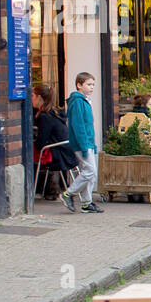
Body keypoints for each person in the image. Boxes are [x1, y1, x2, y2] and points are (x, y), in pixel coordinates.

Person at [60, 72, 103, 214]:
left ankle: (87, 203)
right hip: (82, 143)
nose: (92, 87)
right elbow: (79, 126)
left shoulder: (84, 100)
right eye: (88, 84)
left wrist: (92, 144)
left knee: (91, 173)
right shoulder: (77, 101)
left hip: (88, 142)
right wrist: (85, 146)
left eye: (93, 85)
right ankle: (69, 193)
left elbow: (88, 125)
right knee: (90, 171)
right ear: (79, 85)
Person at [32, 83, 75, 199]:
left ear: (39, 98)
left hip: (59, 156)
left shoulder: (44, 117)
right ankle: (50, 190)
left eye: (32, 96)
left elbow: (41, 142)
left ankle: (36, 190)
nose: (31, 99)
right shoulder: (55, 113)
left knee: (30, 155)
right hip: (68, 152)